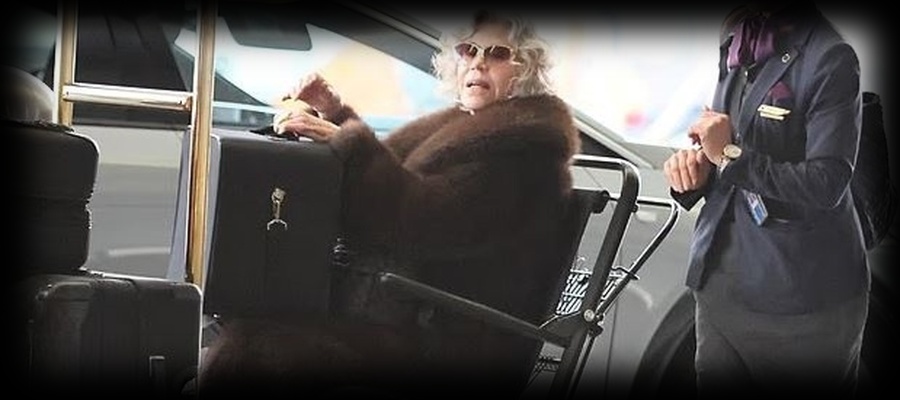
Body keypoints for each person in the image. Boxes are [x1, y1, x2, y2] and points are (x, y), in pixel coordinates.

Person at [198, 9, 581, 399]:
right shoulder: (466, 126)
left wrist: (344, 140)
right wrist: (337, 115)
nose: (478, 62)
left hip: (447, 340)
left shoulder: (526, 153)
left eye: (498, 54)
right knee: (244, 321)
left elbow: (418, 220)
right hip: (408, 315)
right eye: (469, 50)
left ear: (528, 68)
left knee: (253, 351)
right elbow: (392, 171)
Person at [663, 1, 869, 398]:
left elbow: (827, 183)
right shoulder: (736, 38)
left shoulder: (832, 56)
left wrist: (728, 156)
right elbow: (728, 143)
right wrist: (697, 170)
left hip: (800, 300)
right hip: (721, 283)